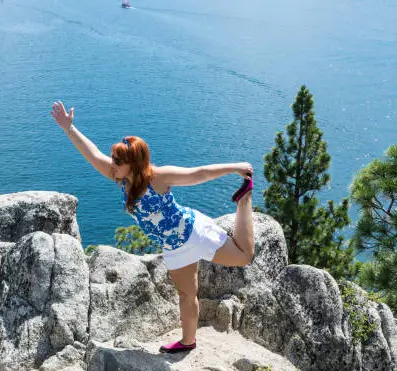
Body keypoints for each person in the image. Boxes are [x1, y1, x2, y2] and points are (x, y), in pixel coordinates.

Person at [51, 101, 255, 353]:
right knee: (186, 294)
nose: (112, 163)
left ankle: (244, 200)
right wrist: (68, 128)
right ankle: (188, 342)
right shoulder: (121, 178)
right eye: (114, 158)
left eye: (118, 160)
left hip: (193, 233)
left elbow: (199, 173)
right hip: (174, 247)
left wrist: (235, 167)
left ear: (134, 162)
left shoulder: (157, 177)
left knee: (245, 256)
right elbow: (92, 155)